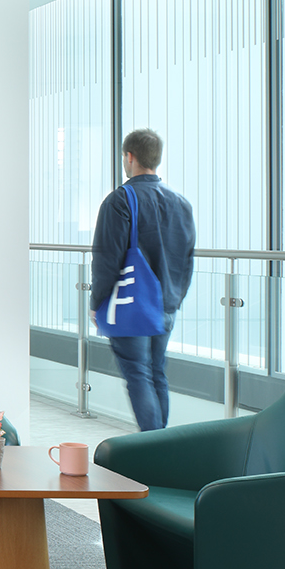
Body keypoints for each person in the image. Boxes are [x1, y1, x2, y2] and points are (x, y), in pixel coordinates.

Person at [90, 129, 195, 431]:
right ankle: (161, 445)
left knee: (138, 374)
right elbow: (187, 260)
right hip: (167, 305)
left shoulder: (120, 200)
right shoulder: (181, 204)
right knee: (157, 372)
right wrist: (175, 298)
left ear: (130, 157)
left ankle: (152, 447)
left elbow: (106, 260)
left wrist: (96, 303)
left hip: (132, 307)